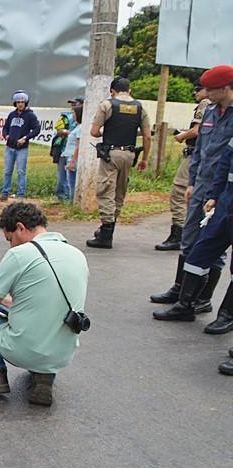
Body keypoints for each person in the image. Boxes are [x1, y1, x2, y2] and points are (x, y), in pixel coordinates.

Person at [0, 202, 89, 406]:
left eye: (10, 238)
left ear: (20, 227)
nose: (10, 245)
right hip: (62, 353)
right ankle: (44, 375)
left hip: (25, 349)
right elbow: (42, 301)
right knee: (44, 320)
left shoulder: (19, 255)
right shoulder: (77, 254)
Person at [152, 65, 233, 336]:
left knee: (216, 246)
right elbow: (200, 150)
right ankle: (181, 293)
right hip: (202, 185)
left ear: (226, 88)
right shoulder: (210, 111)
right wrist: (191, 182)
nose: (205, 93)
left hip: (225, 189)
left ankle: (202, 299)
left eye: (210, 89)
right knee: (190, 238)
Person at [86, 76, 153, 248]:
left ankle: (106, 234)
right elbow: (147, 136)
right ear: (129, 90)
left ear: (112, 91)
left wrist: (107, 131)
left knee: (106, 190)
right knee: (120, 192)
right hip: (129, 154)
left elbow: (94, 132)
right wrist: (144, 158)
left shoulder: (107, 105)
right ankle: (109, 227)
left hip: (112, 154)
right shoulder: (140, 107)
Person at [156, 86, 210, 251]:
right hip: (210, 158)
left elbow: (197, 130)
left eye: (197, 89)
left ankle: (178, 234)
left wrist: (181, 135)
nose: (195, 93)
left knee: (179, 193)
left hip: (195, 156)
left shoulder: (205, 103)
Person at [0, 91, 41, 200]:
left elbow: (37, 128)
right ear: (15, 103)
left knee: (21, 171)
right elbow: (5, 127)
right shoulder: (11, 115)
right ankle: (4, 193)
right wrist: (6, 135)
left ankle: (21, 194)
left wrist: (26, 137)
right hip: (10, 147)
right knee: (7, 171)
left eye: (22, 102)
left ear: (26, 103)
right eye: (18, 102)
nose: (20, 104)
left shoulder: (30, 115)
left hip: (22, 148)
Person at [52, 97, 83, 200]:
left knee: (72, 179)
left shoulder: (83, 121)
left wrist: (67, 132)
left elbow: (79, 142)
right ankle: (62, 197)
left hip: (74, 154)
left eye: (75, 104)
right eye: (72, 104)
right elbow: (58, 131)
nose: (72, 106)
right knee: (62, 176)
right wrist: (64, 132)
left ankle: (71, 199)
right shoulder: (65, 117)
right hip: (63, 150)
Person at [59, 105, 83, 202]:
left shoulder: (80, 128)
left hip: (74, 158)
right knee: (70, 183)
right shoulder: (77, 127)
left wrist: (73, 161)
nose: (72, 115)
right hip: (70, 157)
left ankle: (73, 202)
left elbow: (78, 146)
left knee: (72, 183)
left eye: (73, 113)